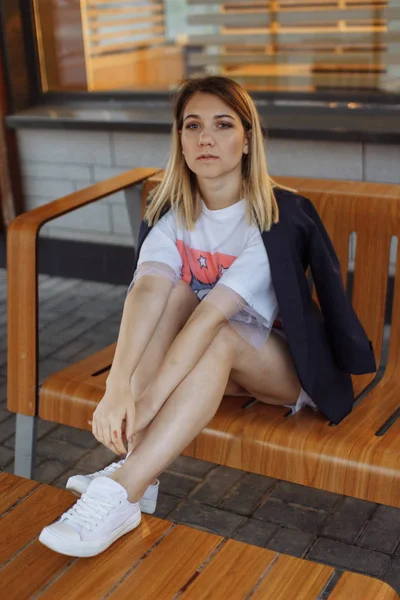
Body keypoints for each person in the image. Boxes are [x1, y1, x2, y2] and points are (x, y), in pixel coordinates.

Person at [39, 76, 376, 557]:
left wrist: (144, 408)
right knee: (173, 292)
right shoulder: (173, 211)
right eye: (192, 125)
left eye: (223, 124)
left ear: (246, 139)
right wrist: (116, 389)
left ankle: (123, 487)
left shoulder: (274, 219)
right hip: (211, 368)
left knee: (216, 330)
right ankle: (140, 474)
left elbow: (208, 321)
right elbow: (147, 292)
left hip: (281, 369)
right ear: (179, 138)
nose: (206, 138)